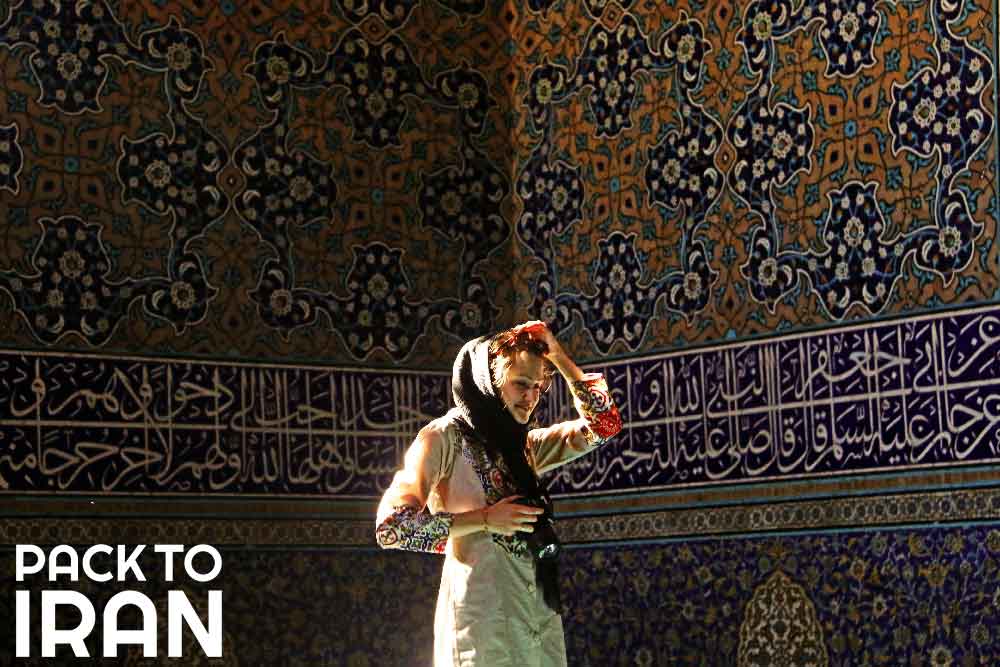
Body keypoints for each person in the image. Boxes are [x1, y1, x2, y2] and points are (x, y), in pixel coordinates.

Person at [375, 320, 622, 666]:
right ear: (488, 380)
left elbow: (605, 424)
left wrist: (559, 357)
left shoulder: (523, 447)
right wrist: (486, 520)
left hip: (536, 625)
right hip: (480, 633)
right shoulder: (443, 438)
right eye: (521, 384)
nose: (531, 398)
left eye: (539, 387)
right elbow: (392, 528)